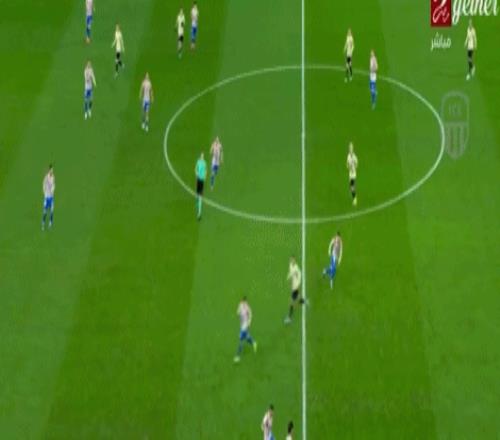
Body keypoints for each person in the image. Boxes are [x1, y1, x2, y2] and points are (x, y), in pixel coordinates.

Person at [233, 296, 257, 363]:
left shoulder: (248, 308)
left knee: (241, 340)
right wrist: (239, 312)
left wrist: (249, 323)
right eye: (244, 302)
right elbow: (237, 313)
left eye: (246, 302)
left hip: (245, 325)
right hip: (242, 325)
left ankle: (237, 356)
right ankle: (253, 343)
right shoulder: (240, 305)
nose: (245, 303)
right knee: (246, 337)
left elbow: (250, 315)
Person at [284, 257, 306, 324]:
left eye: (293, 260)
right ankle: (304, 301)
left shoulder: (296, 268)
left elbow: (298, 276)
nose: (292, 261)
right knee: (297, 297)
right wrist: (289, 277)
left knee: (291, 302)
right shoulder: (291, 265)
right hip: (294, 286)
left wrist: (297, 285)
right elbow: (291, 273)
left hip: (295, 287)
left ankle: (289, 318)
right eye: (291, 260)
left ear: (295, 261)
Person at [41, 165, 55, 231]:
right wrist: (45, 193)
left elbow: (53, 185)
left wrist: (52, 190)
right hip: (46, 198)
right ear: (49, 170)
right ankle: (43, 224)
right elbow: (43, 184)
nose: (52, 171)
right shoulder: (46, 177)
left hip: (51, 198)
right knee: (45, 212)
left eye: (52, 170)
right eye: (51, 170)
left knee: (51, 211)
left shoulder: (53, 177)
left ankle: (50, 224)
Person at [195, 153, 207, 220]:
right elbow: (196, 169)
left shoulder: (204, 163)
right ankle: (197, 200)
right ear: (200, 156)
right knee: (197, 194)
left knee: (200, 196)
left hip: (201, 180)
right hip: (198, 179)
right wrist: (196, 173)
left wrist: (205, 176)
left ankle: (199, 213)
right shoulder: (198, 161)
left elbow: (205, 170)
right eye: (202, 156)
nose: (202, 157)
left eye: (203, 156)